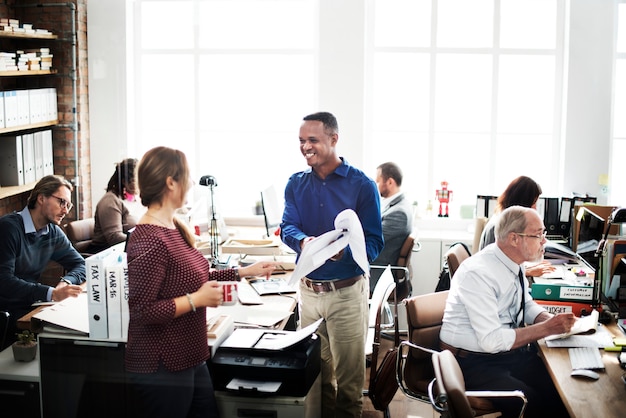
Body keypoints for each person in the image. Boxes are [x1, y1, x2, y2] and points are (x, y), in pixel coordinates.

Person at [124, 146, 276, 418]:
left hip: (190, 356)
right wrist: (196, 301)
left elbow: (195, 277)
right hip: (162, 364)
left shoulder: (172, 227)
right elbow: (143, 311)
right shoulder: (148, 238)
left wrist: (243, 272)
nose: (192, 183)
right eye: (188, 176)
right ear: (171, 182)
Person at [281, 112, 384, 418]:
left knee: (349, 386)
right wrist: (303, 242)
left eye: (312, 140)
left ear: (333, 139)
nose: (305, 147)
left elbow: (374, 244)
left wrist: (344, 253)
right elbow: (287, 226)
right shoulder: (296, 184)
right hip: (309, 292)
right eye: (301, 141)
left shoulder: (362, 185)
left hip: (346, 293)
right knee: (317, 377)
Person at [440, 206, 575, 417]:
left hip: (505, 354)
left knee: (562, 390)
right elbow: (491, 340)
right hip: (471, 362)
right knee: (534, 403)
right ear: (514, 239)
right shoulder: (479, 273)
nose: (544, 241)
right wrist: (547, 328)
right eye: (538, 235)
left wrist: (547, 319)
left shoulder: (515, 262)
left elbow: (525, 304)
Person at [0, 175, 85, 349]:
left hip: (32, 306)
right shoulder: (9, 228)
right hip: (7, 312)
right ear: (41, 198)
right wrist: (52, 294)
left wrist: (65, 282)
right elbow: (3, 281)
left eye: (68, 205)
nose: (66, 210)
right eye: (62, 202)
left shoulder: (52, 232)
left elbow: (81, 264)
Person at [479, 175, 554, 277]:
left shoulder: (507, 221)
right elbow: (491, 269)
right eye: (534, 203)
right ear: (523, 202)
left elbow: (507, 262)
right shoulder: (498, 227)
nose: (535, 208)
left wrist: (527, 267)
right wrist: (527, 272)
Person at [369, 162, 413, 295]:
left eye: (378, 181)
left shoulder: (399, 213)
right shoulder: (397, 205)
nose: (375, 186)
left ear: (389, 182)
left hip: (377, 273)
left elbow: (373, 238)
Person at [88, 158, 139, 253]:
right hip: (106, 254)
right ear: (124, 181)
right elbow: (114, 237)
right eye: (137, 180)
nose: (141, 184)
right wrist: (143, 242)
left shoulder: (128, 199)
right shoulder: (110, 201)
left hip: (124, 251)